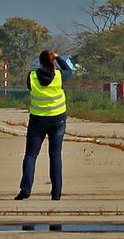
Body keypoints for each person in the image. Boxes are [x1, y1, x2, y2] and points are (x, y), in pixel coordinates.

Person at [16, 49, 75, 201]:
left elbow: (31, 87)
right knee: (55, 155)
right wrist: (58, 58)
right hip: (57, 120)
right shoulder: (59, 76)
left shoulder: (32, 76)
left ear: (40, 62)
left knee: (30, 155)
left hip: (37, 120)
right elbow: (69, 69)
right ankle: (56, 193)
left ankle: (25, 189)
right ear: (53, 62)